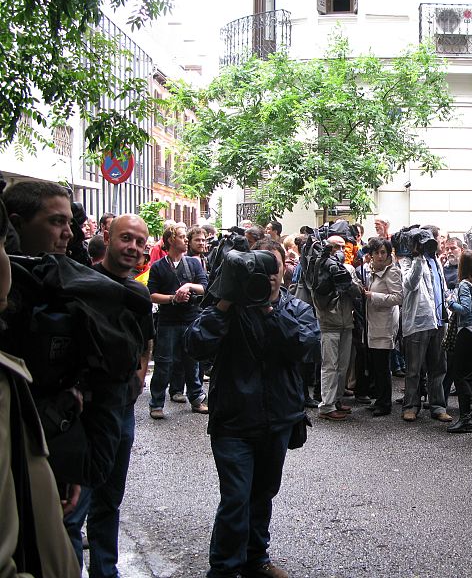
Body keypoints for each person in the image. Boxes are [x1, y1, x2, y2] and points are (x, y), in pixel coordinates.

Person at [186, 241, 320, 578]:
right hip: (233, 419)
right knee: (235, 498)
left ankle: (256, 559)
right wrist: (225, 300)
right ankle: (224, 568)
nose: (269, 276)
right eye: (260, 268)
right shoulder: (229, 306)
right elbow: (196, 344)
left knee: (262, 495)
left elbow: (302, 349)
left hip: (277, 420)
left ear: (283, 271)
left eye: (273, 268)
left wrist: (268, 311)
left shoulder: (296, 307)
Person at [63, 215, 153, 577]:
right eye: (126, 239)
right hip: (84, 409)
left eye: (139, 242)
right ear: (107, 237)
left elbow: (145, 341)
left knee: (109, 502)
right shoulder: (81, 281)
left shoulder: (139, 292)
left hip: (122, 408)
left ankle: (106, 571)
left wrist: (138, 377)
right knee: (74, 506)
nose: (132, 247)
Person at [0, 195, 82, 578]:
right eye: (55, 222)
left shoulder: (66, 284)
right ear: (16, 225)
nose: (67, 233)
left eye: (69, 222)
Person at [147, 225, 209, 419]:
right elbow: (151, 295)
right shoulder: (158, 266)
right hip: (167, 321)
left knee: (193, 362)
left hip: (191, 318)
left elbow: (205, 288)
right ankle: (156, 403)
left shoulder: (193, 263)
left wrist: (188, 286)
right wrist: (173, 298)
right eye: (181, 237)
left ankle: (197, 399)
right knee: (164, 363)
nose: (185, 240)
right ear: (171, 240)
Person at [397, 228, 452, 423]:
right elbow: (410, 284)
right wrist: (418, 257)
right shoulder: (406, 262)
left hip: (438, 320)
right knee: (414, 368)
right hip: (418, 322)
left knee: (438, 367)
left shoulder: (436, 261)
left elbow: (442, 287)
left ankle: (438, 406)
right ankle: (411, 405)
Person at [312, 235, 362, 421]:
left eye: (342, 246)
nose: (340, 251)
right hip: (329, 323)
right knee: (329, 366)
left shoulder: (348, 268)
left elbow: (358, 292)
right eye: (335, 247)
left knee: (343, 366)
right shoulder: (318, 269)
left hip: (346, 322)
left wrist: (347, 282)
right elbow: (318, 298)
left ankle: (336, 400)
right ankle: (326, 406)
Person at [446, 250, 472, 433]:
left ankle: (465, 419)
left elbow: (465, 308)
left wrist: (450, 303)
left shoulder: (464, 284)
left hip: (467, 332)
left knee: (460, 374)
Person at [362, 237, 402, 416]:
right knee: (377, 365)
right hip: (374, 323)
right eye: (376, 252)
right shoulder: (372, 271)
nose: (379, 256)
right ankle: (380, 399)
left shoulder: (392, 272)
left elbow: (398, 298)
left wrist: (373, 296)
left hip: (384, 325)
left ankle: (385, 403)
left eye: (383, 252)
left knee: (383, 366)